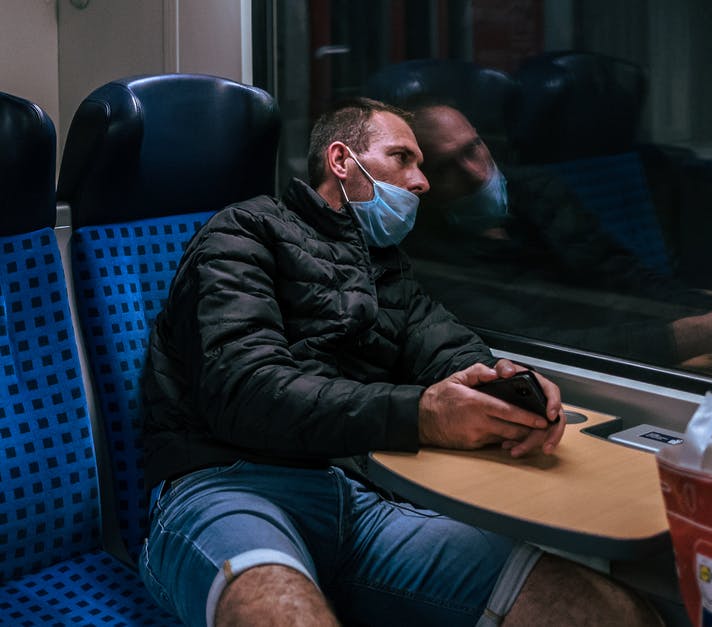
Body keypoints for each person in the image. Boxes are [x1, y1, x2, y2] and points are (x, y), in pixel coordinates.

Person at [139, 97, 663, 627]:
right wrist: (423, 414)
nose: (423, 182)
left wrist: (504, 387)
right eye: (403, 158)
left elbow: (447, 349)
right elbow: (245, 390)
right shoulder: (244, 234)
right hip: (227, 486)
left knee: (608, 612)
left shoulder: (389, 271)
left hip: (361, 502)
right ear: (342, 162)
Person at [404, 104, 712, 370]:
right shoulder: (427, 260)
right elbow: (541, 346)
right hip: (589, 379)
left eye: (474, 148)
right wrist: (699, 332)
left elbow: (625, 277)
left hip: (642, 347)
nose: (476, 172)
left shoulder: (536, 190)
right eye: (446, 167)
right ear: (420, 182)